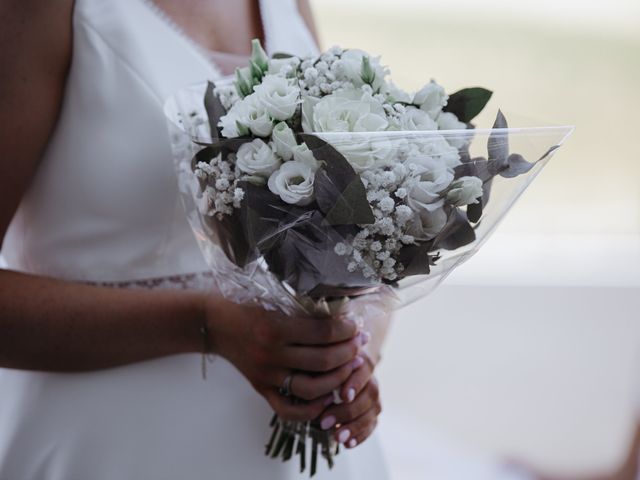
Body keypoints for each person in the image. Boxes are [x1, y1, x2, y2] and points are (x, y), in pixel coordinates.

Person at [0, 1, 390, 478]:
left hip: (303, 455)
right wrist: (204, 323)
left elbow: (345, 220)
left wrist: (349, 358)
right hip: (108, 447)